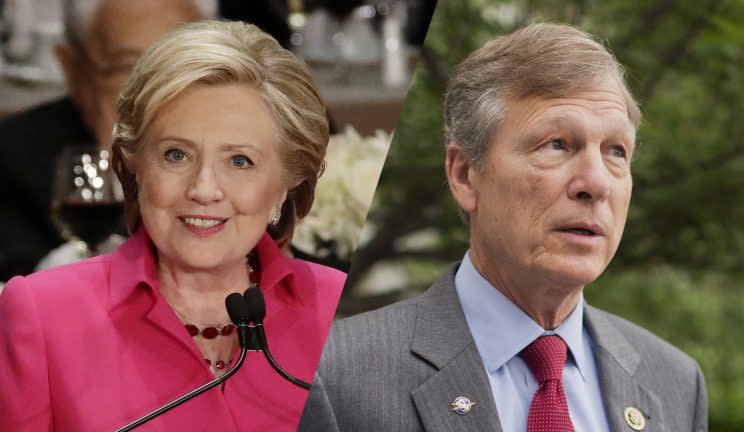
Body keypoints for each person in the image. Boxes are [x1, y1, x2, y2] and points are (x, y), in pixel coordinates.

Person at [298, 23, 707, 432]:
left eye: (615, 151)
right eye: (557, 145)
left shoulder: (675, 384)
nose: (597, 183)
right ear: (464, 174)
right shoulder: (336, 377)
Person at [0, 20, 345, 431]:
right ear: (133, 164)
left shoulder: (345, 312)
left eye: (239, 161)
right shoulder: (42, 313)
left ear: (286, 183)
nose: (203, 189)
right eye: (176, 155)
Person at [0, 0, 217, 281]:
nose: (158, 92)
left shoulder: (249, 150)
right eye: (128, 67)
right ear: (73, 69)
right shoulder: (16, 159)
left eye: (181, 65)